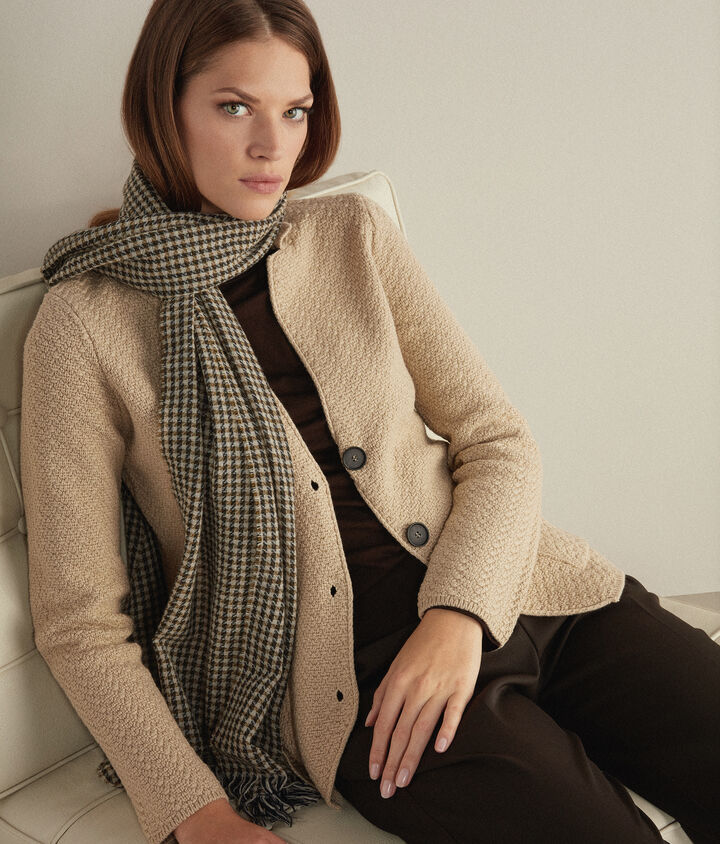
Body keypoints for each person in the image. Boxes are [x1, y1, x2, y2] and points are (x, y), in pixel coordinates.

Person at [20, 1, 719, 843]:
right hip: (364, 685)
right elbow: (81, 622)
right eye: (235, 107)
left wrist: (459, 615)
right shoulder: (85, 323)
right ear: (161, 110)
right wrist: (195, 812)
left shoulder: (349, 233)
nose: (272, 146)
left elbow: (497, 439)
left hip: (528, 588)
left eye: (295, 110)